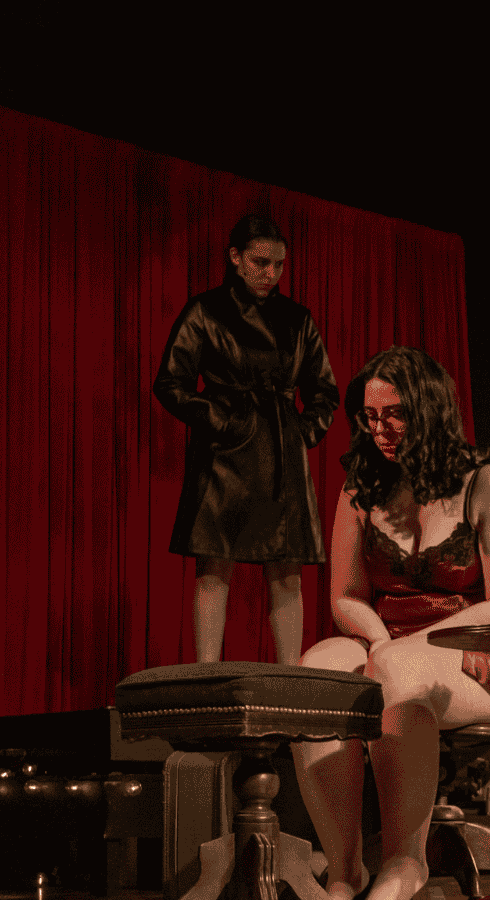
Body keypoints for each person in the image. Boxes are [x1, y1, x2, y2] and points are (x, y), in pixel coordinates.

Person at [292, 346, 490, 900]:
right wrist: (375, 640)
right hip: (386, 642)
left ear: (430, 409)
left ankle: (404, 860)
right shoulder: (362, 488)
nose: (380, 430)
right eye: (370, 418)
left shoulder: (488, 483)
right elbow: (345, 596)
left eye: (393, 415)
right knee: (316, 670)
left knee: (397, 669)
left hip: (483, 652)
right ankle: (345, 871)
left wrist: (403, 648)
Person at [153, 213, 339, 664]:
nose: (270, 273)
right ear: (235, 257)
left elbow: (325, 391)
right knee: (213, 566)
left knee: (287, 568)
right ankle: (206, 675)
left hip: (280, 448)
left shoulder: (298, 319)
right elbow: (170, 383)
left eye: (278, 265)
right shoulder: (205, 310)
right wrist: (218, 418)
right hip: (223, 454)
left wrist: (302, 432)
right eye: (260, 262)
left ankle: (291, 677)